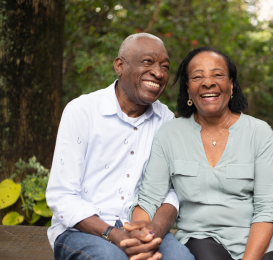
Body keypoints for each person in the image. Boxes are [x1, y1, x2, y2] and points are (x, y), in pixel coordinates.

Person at [128, 46, 273, 260]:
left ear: (231, 85)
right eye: (197, 76)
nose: (208, 82)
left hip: (259, 240)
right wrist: (140, 235)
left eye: (218, 75)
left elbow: (266, 208)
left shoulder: (259, 133)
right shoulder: (170, 134)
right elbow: (149, 199)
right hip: (202, 238)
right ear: (188, 89)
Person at [46, 33, 195, 260]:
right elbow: (62, 196)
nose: (158, 72)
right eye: (148, 62)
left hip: (142, 227)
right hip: (80, 230)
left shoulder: (165, 119)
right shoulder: (83, 111)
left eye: (165, 66)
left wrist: (150, 234)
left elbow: (171, 191)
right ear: (119, 65)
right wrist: (115, 235)